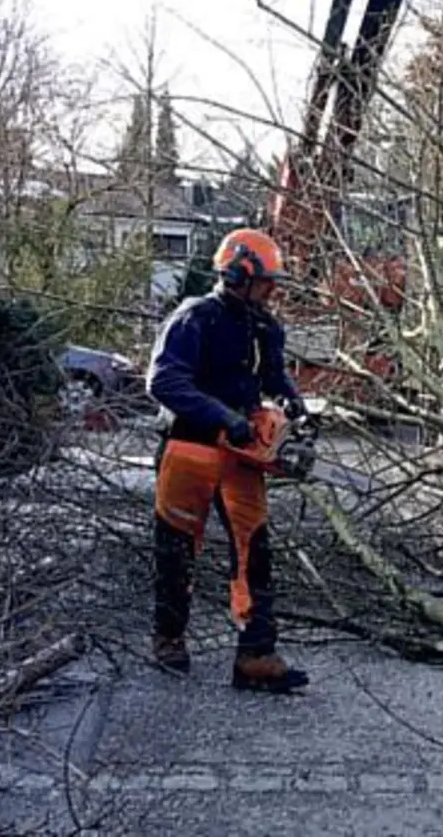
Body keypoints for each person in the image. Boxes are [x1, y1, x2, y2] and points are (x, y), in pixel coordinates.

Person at [145, 227, 311, 693]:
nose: (272, 290)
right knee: (175, 548)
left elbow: (274, 375)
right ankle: (169, 637)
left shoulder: (265, 326)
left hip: (242, 458)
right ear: (239, 272)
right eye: (266, 280)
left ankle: (256, 653)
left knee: (254, 552)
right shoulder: (195, 317)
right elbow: (163, 381)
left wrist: (291, 400)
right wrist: (223, 417)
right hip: (190, 446)